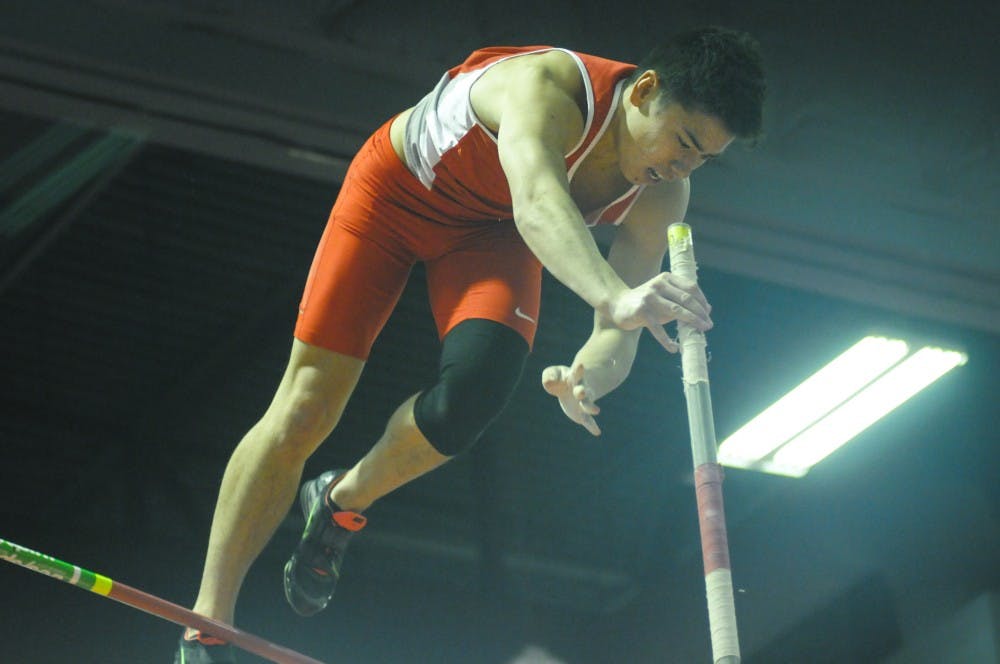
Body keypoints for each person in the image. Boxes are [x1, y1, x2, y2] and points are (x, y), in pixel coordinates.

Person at [175, 26, 765, 663]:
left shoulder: (663, 194)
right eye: (683, 142)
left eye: (702, 159)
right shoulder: (546, 86)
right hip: (395, 195)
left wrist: (588, 377)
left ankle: (341, 499)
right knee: (306, 407)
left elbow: (617, 330)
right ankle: (207, 624)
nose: (681, 167)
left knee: (473, 397)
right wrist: (615, 298)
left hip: (490, 237)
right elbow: (538, 206)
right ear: (645, 91)